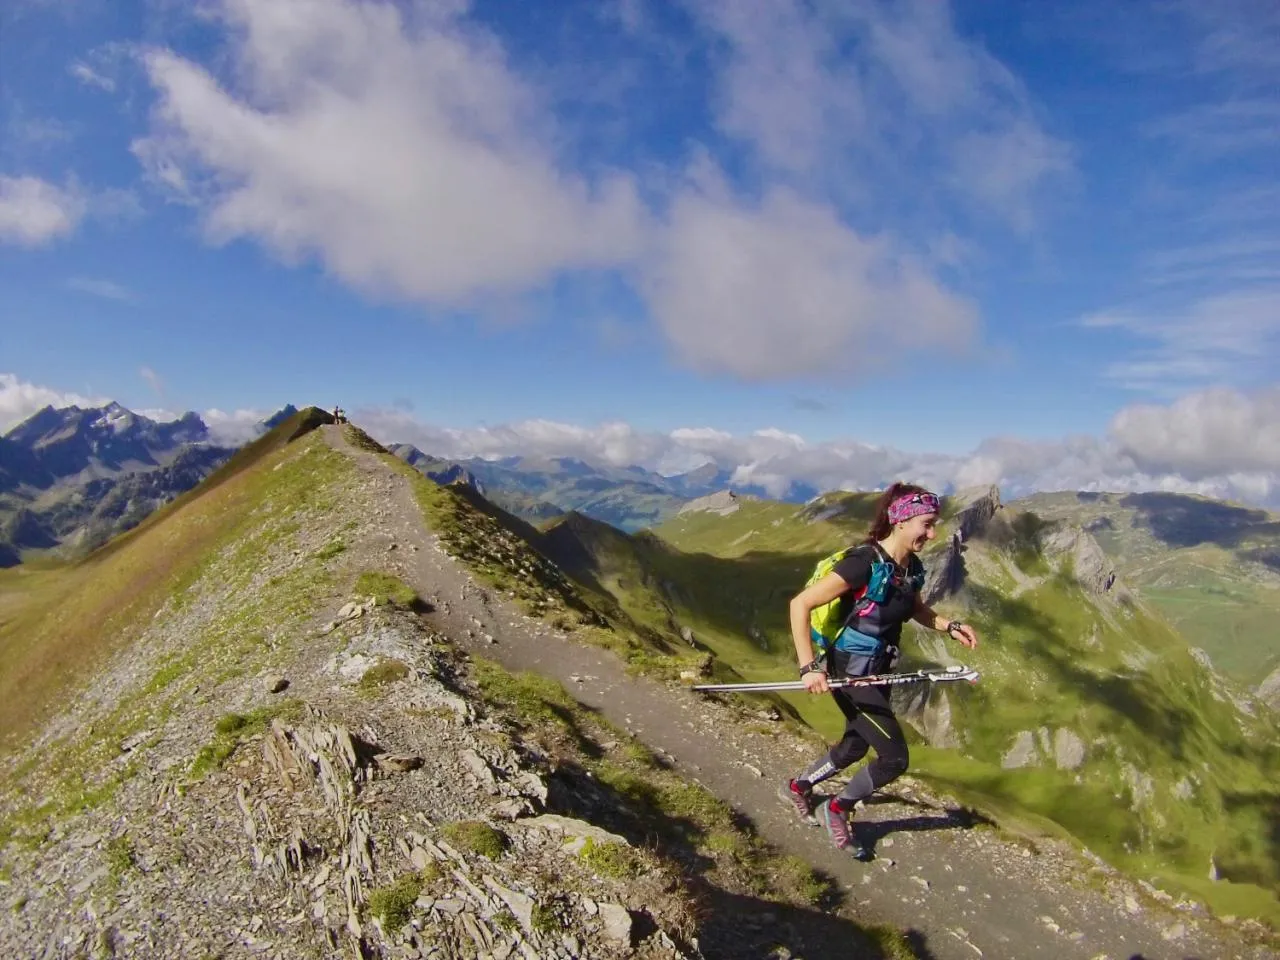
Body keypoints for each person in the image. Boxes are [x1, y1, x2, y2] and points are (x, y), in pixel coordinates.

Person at [779, 482, 980, 856]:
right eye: (927, 523)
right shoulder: (863, 563)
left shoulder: (910, 568)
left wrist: (950, 626)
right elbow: (800, 604)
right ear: (901, 521)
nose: (933, 533)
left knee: (856, 745)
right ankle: (838, 808)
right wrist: (809, 667)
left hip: (880, 670)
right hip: (850, 673)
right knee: (894, 758)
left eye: (934, 524)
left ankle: (799, 786)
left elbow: (916, 610)